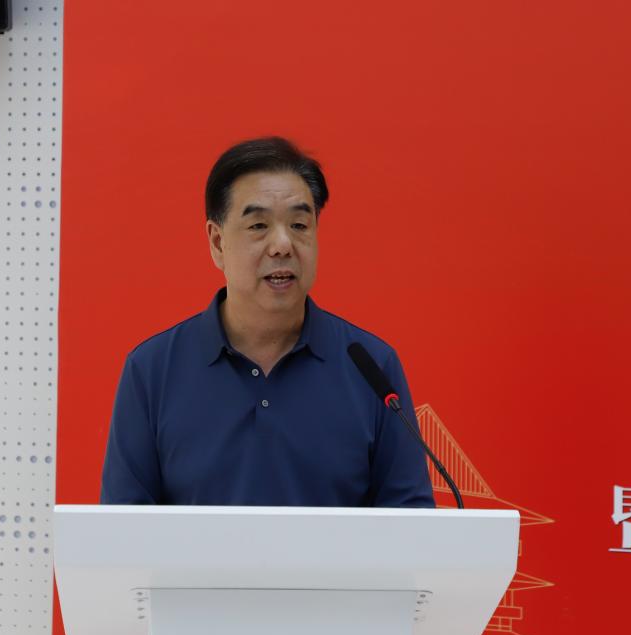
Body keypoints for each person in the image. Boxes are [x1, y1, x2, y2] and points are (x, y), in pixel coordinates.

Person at [100, 137, 434, 507]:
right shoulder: (152, 371)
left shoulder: (372, 367)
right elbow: (122, 529)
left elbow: (412, 524)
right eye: (259, 225)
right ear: (217, 242)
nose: (282, 245)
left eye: (299, 225)